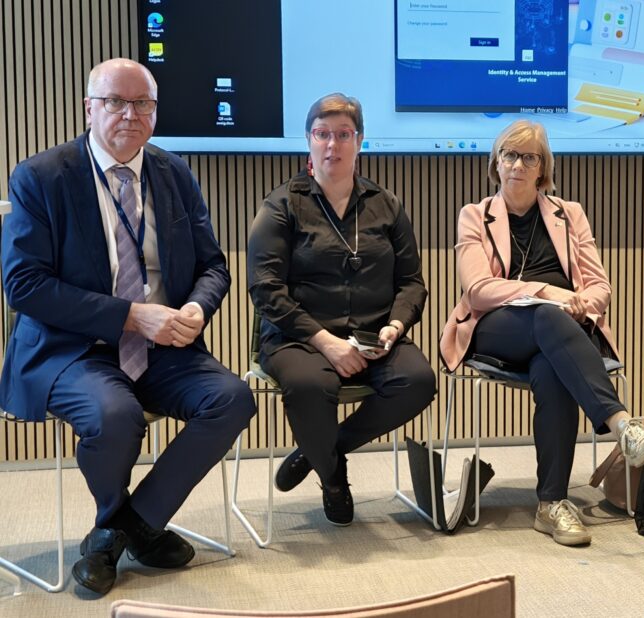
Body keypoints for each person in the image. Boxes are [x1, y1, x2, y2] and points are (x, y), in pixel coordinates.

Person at [0, 58, 256, 595]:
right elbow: (24, 285)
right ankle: (132, 529)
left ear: (155, 112)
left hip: (163, 349)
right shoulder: (41, 177)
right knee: (116, 416)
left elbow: (213, 266)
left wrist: (197, 309)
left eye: (142, 103)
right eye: (115, 102)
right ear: (89, 109)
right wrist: (131, 316)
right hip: (73, 349)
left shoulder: (174, 173)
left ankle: (123, 531)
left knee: (232, 398)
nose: (130, 114)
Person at [440, 120, 644, 547]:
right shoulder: (475, 215)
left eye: (529, 157)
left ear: (543, 167)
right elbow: (478, 289)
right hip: (498, 328)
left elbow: (599, 286)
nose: (518, 165)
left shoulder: (569, 213)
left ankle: (551, 504)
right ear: (496, 163)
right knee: (546, 316)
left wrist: (582, 304)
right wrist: (552, 295)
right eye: (510, 155)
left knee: (552, 367)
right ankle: (622, 425)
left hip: (561, 334)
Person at [247, 93, 435, 527]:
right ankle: (333, 478)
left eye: (343, 135)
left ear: (360, 141)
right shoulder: (282, 204)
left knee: (418, 381)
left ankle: (323, 448)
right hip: (299, 338)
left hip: (373, 336)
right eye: (322, 134)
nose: (332, 144)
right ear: (308, 141)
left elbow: (411, 282)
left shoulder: (386, 204)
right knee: (309, 385)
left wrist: (395, 326)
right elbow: (265, 289)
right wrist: (326, 343)